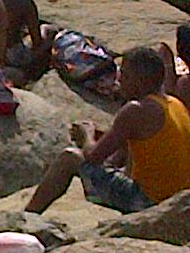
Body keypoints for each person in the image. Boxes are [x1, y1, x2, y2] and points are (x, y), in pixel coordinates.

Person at [25, 44, 190, 215]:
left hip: (148, 201)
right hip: (177, 200)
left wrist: (86, 135)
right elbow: (130, 146)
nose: (118, 81)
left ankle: (29, 216)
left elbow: (92, 157)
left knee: (71, 157)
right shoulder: (175, 103)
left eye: (124, 75)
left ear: (139, 80)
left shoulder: (136, 109)